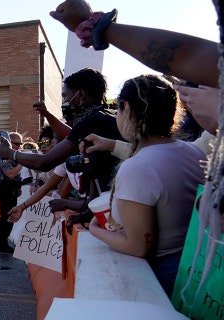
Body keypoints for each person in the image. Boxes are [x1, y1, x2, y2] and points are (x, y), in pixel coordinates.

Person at [86, 75, 206, 297]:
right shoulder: (193, 151)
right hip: (195, 265)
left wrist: (95, 229)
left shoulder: (137, 168)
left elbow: (138, 247)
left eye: (118, 110)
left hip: (163, 276)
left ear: (128, 109)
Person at [0, 68, 123, 200]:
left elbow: (44, 163)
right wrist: (46, 114)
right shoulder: (106, 117)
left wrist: (11, 153)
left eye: (65, 96)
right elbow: (70, 135)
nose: (64, 102)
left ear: (81, 95)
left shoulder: (91, 122)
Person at [0, 131, 23, 253]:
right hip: (6, 188)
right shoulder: (3, 156)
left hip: (11, 188)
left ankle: (1, 241)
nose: (19, 146)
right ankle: (1, 243)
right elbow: (10, 174)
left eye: (21, 143)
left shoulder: (10, 155)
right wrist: (22, 161)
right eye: (17, 143)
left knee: (7, 216)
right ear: (10, 143)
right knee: (7, 217)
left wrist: (18, 186)